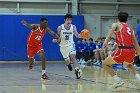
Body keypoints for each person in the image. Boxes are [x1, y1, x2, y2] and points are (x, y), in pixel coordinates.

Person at [102, 12, 140, 89]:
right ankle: (139, 78)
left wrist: (106, 41)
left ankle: (118, 80)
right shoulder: (130, 29)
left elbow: (112, 28)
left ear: (118, 18)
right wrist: (139, 53)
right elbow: (136, 44)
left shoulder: (117, 24)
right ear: (126, 19)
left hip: (123, 50)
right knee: (128, 64)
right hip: (131, 50)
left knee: (105, 64)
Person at [53, 14, 82, 79]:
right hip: (63, 46)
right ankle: (68, 64)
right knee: (67, 60)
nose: (69, 21)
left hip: (70, 45)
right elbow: (58, 37)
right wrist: (56, 40)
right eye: (68, 20)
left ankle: (77, 70)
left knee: (73, 57)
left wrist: (83, 36)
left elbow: (77, 35)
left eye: (70, 20)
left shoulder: (73, 27)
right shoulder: (60, 27)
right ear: (64, 20)